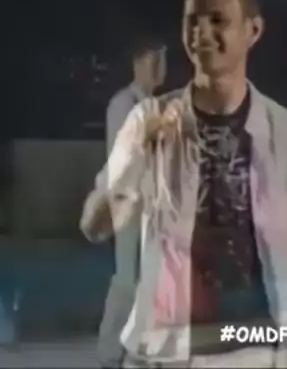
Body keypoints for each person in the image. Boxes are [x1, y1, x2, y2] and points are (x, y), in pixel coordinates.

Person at [80, 0, 287, 368]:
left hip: (260, 345)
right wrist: (136, 160)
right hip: (165, 350)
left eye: (218, 20)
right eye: (193, 20)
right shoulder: (148, 120)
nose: (201, 32)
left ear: (253, 30)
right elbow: (95, 227)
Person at [96, 36, 167, 368]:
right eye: (155, 61)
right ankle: (109, 352)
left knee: (150, 282)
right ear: (139, 64)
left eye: (162, 62)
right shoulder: (123, 104)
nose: (160, 69)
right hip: (130, 204)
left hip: (153, 206)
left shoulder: (155, 105)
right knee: (127, 280)